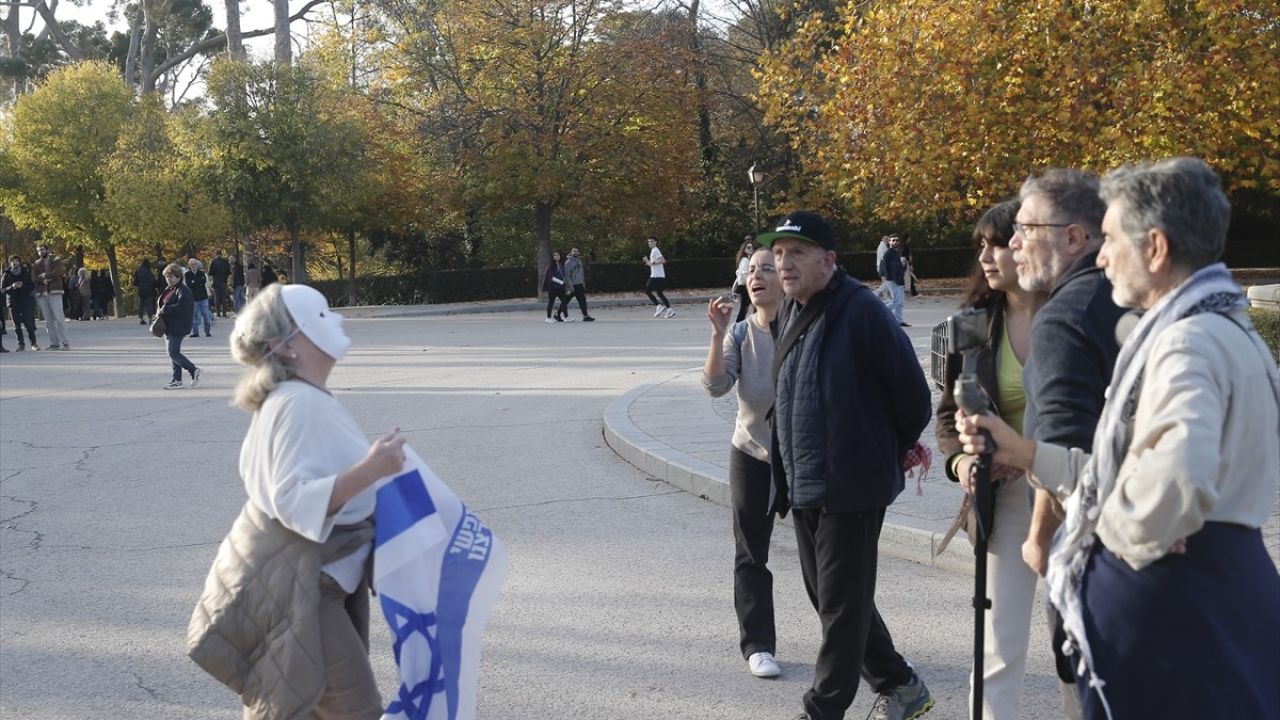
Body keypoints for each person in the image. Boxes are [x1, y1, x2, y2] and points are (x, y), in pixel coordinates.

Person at [957, 157, 1280, 720]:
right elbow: (1133, 477)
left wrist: (1127, 530)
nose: (1101, 257)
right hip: (1215, 593)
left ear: (1154, 249)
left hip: (1175, 611)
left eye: (1111, 240)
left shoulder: (1186, 346)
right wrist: (1025, 453)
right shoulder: (1226, 326)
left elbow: (1169, 491)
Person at [188, 283, 405, 719]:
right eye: (320, 318)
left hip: (308, 579)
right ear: (283, 347)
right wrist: (372, 469)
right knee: (352, 711)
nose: (336, 321)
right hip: (301, 589)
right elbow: (291, 500)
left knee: (308, 708)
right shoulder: (296, 404)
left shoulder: (300, 398)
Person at [759, 211, 935, 720]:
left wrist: (880, 451)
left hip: (851, 485)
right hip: (806, 479)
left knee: (840, 608)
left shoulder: (863, 312)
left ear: (828, 260)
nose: (783, 263)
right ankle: (900, 684)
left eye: (797, 253)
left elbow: (914, 399)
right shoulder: (792, 309)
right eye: (778, 252)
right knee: (834, 598)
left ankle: (822, 710)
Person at [1003, 168, 1125, 720]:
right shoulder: (1123, 298)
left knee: (1086, 695)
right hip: (1145, 542)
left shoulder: (1064, 319)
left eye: (1026, 228)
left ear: (1074, 237)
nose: (1013, 244)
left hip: (1088, 553)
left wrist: (1037, 540)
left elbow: (1061, 454)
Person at [934, 200, 1047, 719]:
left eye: (997, 242)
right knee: (999, 645)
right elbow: (946, 420)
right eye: (981, 244)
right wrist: (962, 465)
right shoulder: (972, 325)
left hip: (1072, 494)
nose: (986, 255)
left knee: (1081, 643)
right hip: (1002, 503)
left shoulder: (1073, 318)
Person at [702, 246, 784, 679]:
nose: (758, 276)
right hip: (751, 451)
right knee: (751, 551)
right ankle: (758, 644)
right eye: (752, 270)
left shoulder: (804, 327)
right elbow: (715, 385)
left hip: (803, 458)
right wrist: (717, 334)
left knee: (829, 557)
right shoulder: (739, 333)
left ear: (785, 278)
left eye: (767, 269)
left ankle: (865, 646)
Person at [157, 263, 202, 389]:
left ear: (178, 277)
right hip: (168, 325)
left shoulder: (184, 290)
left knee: (173, 353)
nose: (168, 279)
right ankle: (177, 379)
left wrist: (166, 309)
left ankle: (193, 370)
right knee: (172, 353)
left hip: (178, 326)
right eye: (167, 276)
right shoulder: (169, 289)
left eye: (171, 276)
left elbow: (183, 308)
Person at [31, 244, 69, 350]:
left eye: (42, 250)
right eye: (39, 251)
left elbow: (58, 273)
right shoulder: (37, 263)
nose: (41, 252)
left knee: (59, 317)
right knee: (48, 320)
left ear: (47, 250)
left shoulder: (55, 259)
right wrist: (42, 280)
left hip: (55, 291)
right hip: (42, 293)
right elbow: (34, 277)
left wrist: (45, 276)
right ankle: (54, 343)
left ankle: (65, 342)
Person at [2, 255, 39, 350]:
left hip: (25, 300)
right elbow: (2, 289)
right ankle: (21, 344)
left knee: (29, 324)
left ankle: (33, 343)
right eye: (13, 261)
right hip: (13, 302)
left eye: (16, 261)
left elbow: (31, 286)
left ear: (19, 262)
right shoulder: (7, 274)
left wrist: (22, 285)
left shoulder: (25, 272)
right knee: (16, 325)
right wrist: (12, 287)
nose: (15, 263)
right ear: (10, 263)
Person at [878, 236, 908, 326]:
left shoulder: (896, 253)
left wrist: (904, 265)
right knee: (896, 301)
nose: (895, 242)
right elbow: (886, 268)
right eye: (893, 240)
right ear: (889, 242)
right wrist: (890, 278)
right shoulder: (888, 254)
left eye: (897, 240)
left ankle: (899, 320)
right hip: (893, 280)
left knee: (900, 302)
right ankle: (880, 314)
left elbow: (899, 268)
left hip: (899, 280)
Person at [643, 237, 675, 318]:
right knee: (659, 293)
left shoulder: (655, 250)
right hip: (658, 275)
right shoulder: (653, 250)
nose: (650, 243)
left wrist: (651, 262)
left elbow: (663, 260)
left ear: (656, 242)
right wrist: (648, 262)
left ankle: (659, 306)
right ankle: (670, 310)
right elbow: (653, 264)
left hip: (656, 276)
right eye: (649, 242)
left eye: (652, 241)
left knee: (647, 290)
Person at [562, 247, 594, 321]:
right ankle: (557, 314)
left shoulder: (579, 260)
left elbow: (581, 273)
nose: (576, 252)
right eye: (574, 251)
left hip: (579, 284)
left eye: (577, 251)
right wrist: (570, 286)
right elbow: (566, 275)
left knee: (582, 300)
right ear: (571, 252)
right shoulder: (568, 262)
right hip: (572, 286)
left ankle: (585, 316)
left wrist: (583, 283)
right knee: (565, 301)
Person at [541, 251, 572, 323]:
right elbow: (551, 277)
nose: (557, 256)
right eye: (555, 255)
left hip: (560, 288)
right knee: (551, 302)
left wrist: (565, 284)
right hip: (552, 288)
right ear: (553, 257)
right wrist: (561, 282)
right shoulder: (551, 266)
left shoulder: (561, 264)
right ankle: (548, 318)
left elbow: (564, 275)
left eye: (558, 255)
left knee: (564, 302)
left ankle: (566, 317)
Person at [186, 258, 213, 338]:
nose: (193, 266)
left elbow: (203, 281)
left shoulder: (202, 273)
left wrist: (194, 282)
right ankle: (195, 332)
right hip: (194, 298)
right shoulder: (187, 275)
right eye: (191, 265)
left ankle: (207, 331)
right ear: (189, 266)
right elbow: (189, 284)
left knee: (206, 315)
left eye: (194, 264)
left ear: (197, 265)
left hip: (203, 297)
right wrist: (197, 282)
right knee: (194, 316)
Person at [731, 237, 754, 322]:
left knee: (745, 308)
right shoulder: (745, 260)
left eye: (751, 247)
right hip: (744, 287)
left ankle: (741, 324)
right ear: (744, 249)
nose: (750, 249)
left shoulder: (746, 259)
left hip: (744, 286)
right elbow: (744, 274)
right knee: (745, 308)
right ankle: (739, 325)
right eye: (748, 248)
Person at [135, 259, 158, 326]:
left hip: (141, 290)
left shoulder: (138, 271)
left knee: (141, 304)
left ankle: (141, 318)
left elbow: (135, 282)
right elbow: (153, 281)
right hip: (149, 290)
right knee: (149, 304)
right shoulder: (149, 272)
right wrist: (156, 286)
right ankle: (150, 318)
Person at [210, 250, 232, 318]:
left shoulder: (213, 262)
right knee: (224, 298)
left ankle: (218, 313)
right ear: (221, 254)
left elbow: (210, 272)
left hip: (216, 282)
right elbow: (229, 272)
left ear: (216, 254)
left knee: (216, 298)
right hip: (224, 282)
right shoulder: (225, 262)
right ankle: (224, 313)